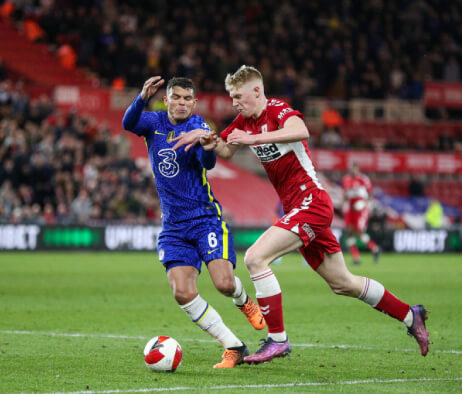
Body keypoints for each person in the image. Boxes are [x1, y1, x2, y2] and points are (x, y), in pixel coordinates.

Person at [171, 65, 430, 363]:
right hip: (299, 209)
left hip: (312, 203)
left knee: (256, 258)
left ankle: (277, 340)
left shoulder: (279, 110)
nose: (234, 103)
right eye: (232, 97)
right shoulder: (244, 120)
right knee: (342, 282)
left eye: (239, 96)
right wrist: (206, 138)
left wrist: (254, 139)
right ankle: (411, 316)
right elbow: (227, 150)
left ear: (257, 91)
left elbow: (301, 130)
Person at [122, 76, 265, 368]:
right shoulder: (154, 122)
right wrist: (141, 98)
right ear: (167, 99)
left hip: (205, 220)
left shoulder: (199, 127)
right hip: (173, 227)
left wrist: (207, 144)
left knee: (224, 284)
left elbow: (208, 163)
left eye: (187, 98)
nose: (182, 103)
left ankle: (243, 299)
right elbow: (128, 123)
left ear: (194, 102)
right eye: (176, 97)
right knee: (182, 292)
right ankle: (233, 346)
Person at [342, 162, 381, 264]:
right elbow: (345, 194)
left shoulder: (363, 179)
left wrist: (363, 204)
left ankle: (375, 248)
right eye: (352, 168)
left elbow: (370, 195)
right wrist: (344, 205)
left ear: (358, 169)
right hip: (350, 208)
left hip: (361, 209)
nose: (353, 170)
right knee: (349, 231)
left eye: (355, 168)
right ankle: (356, 258)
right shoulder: (346, 179)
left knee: (358, 232)